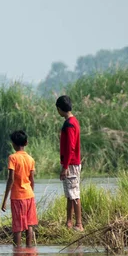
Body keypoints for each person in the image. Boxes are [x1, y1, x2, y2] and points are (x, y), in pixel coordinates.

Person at [1, 130, 38, 247]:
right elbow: (32, 180)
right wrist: (31, 192)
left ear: (13, 144)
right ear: (26, 143)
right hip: (29, 195)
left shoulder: (13, 158)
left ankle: (17, 252)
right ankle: (29, 249)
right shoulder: (30, 159)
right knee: (29, 225)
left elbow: (11, 179)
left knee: (18, 227)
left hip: (17, 197)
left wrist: (5, 199)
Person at [56, 95, 84, 231]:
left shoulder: (70, 124)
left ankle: (78, 224)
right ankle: (69, 222)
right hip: (70, 163)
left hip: (71, 164)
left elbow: (71, 147)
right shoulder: (73, 121)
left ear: (60, 109)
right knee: (69, 195)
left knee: (74, 194)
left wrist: (65, 167)